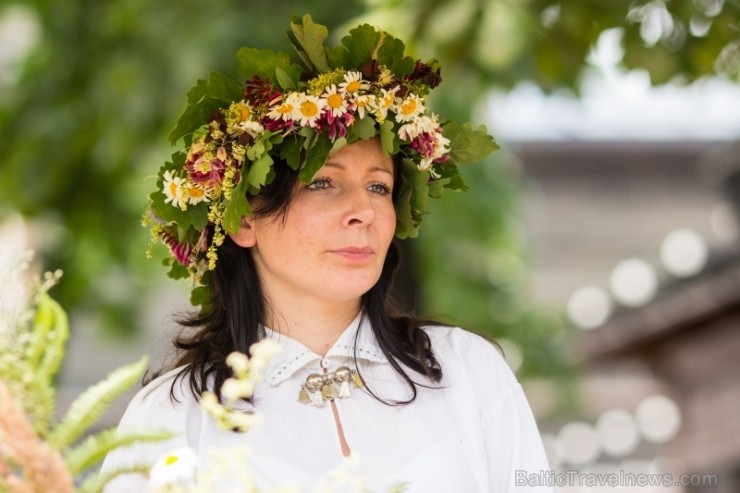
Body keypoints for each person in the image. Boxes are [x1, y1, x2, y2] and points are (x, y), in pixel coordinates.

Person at [100, 14, 554, 493]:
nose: (365, 211)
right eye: (323, 182)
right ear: (244, 219)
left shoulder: (466, 371)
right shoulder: (173, 417)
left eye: (379, 186)